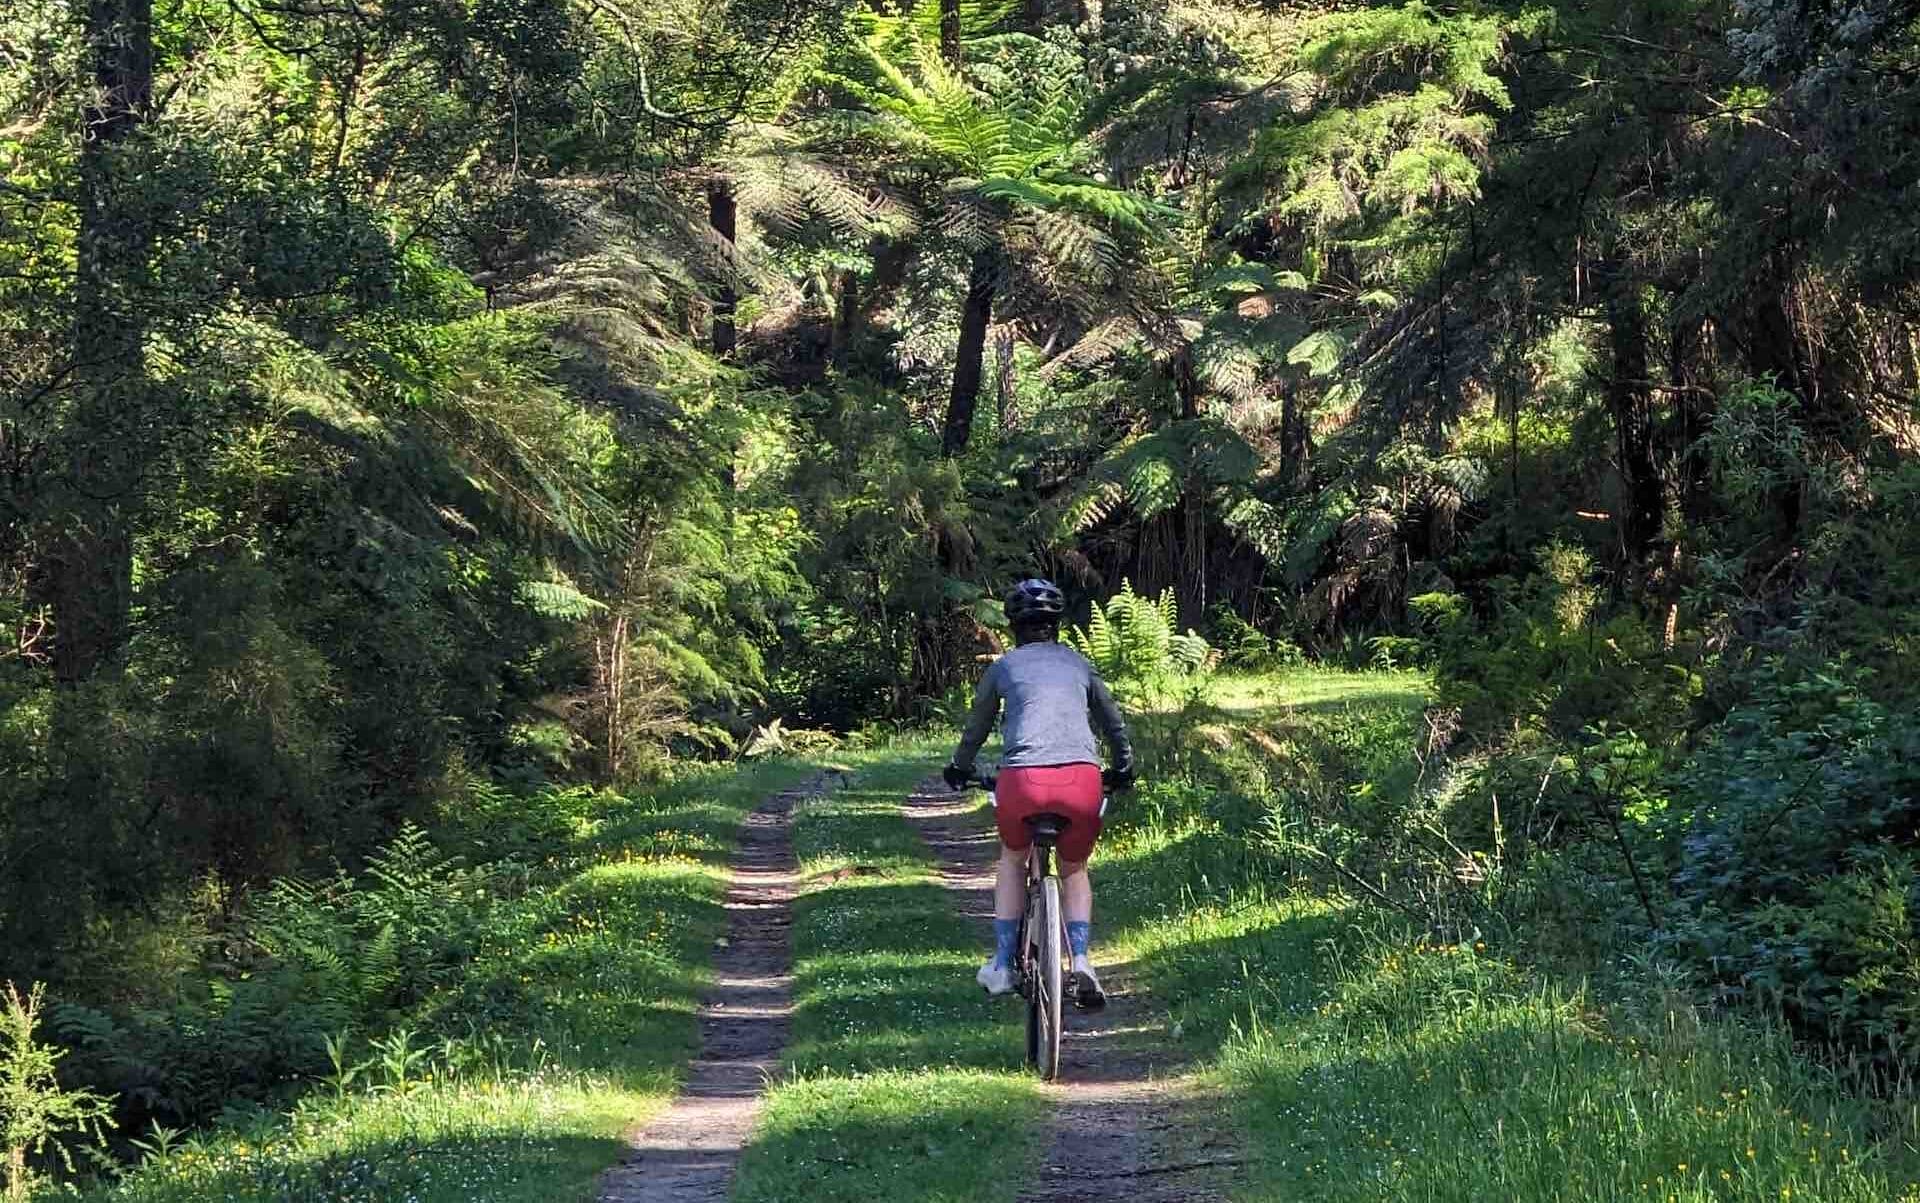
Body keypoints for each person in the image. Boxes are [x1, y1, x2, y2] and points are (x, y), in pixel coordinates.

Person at [942, 578, 1135, 1009]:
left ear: (1013, 626)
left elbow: (976, 728)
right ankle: (1081, 960)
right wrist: (1123, 767)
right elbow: (1112, 721)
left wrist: (960, 768)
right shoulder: (1079, 664)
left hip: (1022, 781)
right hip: (1081, 781)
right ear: (1057, 624)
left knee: (1012, 860)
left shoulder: (1004, 668)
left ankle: (1003, 961)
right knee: (1074, 869)